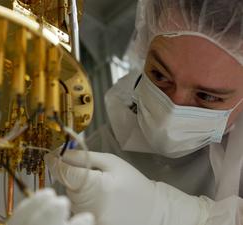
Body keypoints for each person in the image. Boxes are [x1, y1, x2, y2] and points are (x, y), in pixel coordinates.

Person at [14, 0, 243, 224]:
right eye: (160, 75)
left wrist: (164, 211)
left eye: (207, 96)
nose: (171, 110)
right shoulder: (105, 150)